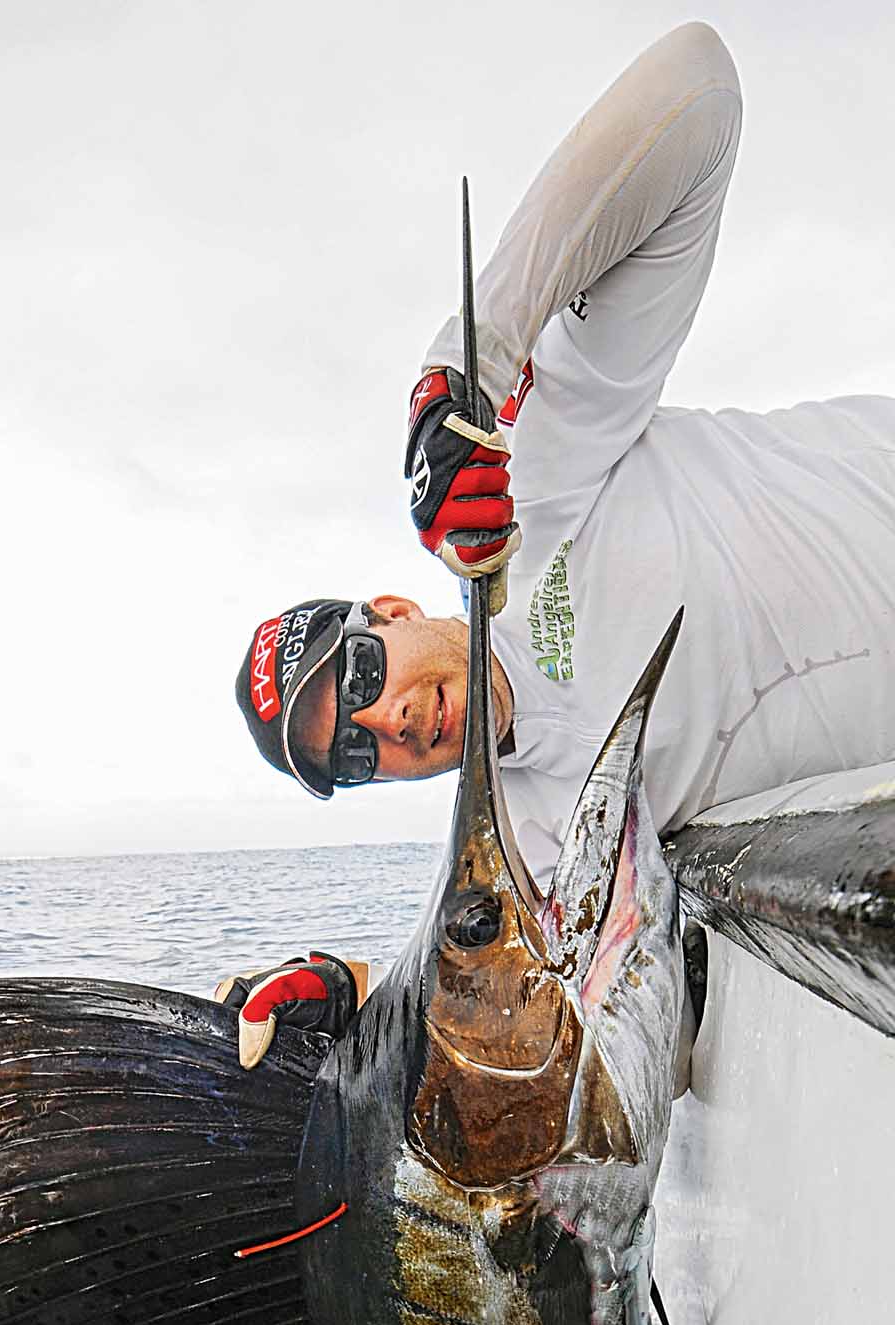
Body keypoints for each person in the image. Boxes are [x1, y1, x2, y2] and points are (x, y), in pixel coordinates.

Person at [224, 22, 895, 1059]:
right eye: (353, 751)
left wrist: (457, 378)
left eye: (359, 673)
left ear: (395, 612)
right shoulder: (539, 843)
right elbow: (467, 972)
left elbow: (701, 88)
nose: (390, 720)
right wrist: (348, 987)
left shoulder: (537, 482)